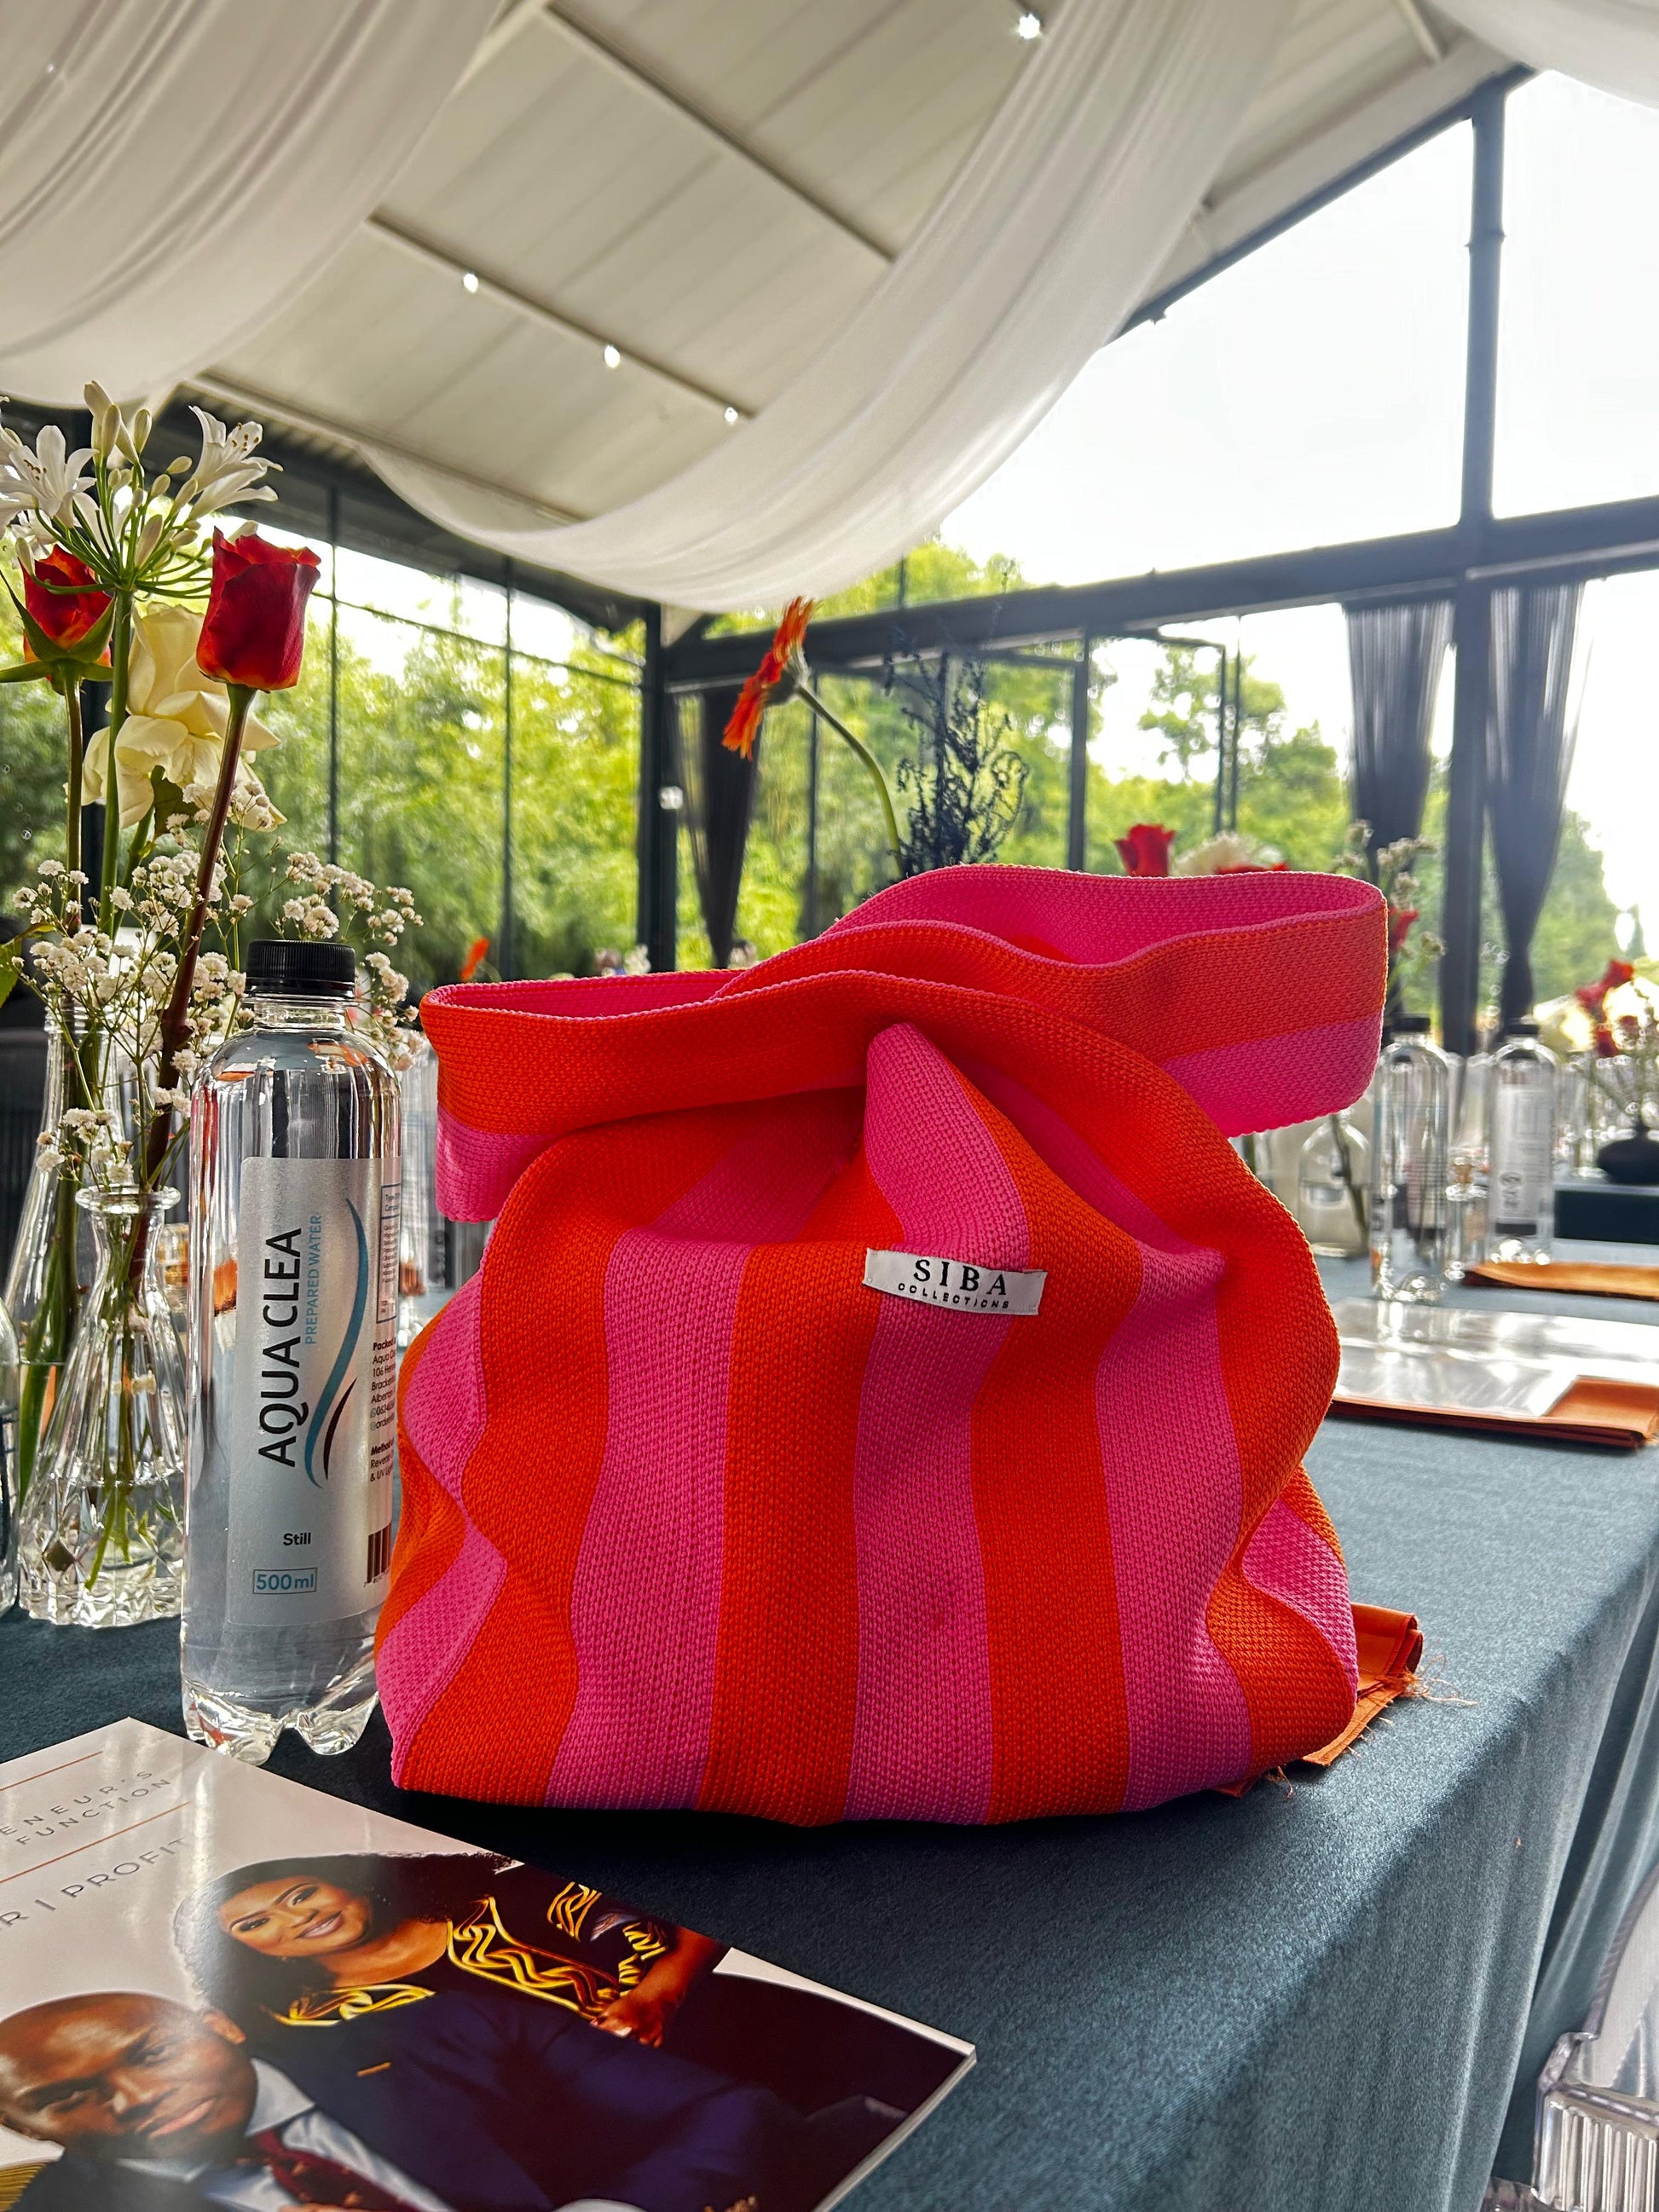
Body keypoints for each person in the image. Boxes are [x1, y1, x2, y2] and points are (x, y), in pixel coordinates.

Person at [174, 1854, 954, 2124]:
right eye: (255, 1924)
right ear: (246, 1950)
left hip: (725, 2031)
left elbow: (687, 1921)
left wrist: (661, 1989)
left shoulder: (498, 1899)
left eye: (300, 1893)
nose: (295, 1918)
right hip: (603, 2129)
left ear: (344, 1880)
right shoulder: (301, 2022)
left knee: (943, 2111)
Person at [0, 1988, 790, 2212]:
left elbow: (733, 2110)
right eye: (68, 2097)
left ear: (219, 2025)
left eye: (155, 2051)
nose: (137, 2097)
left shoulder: (453, 2028)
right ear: (17, 2125)